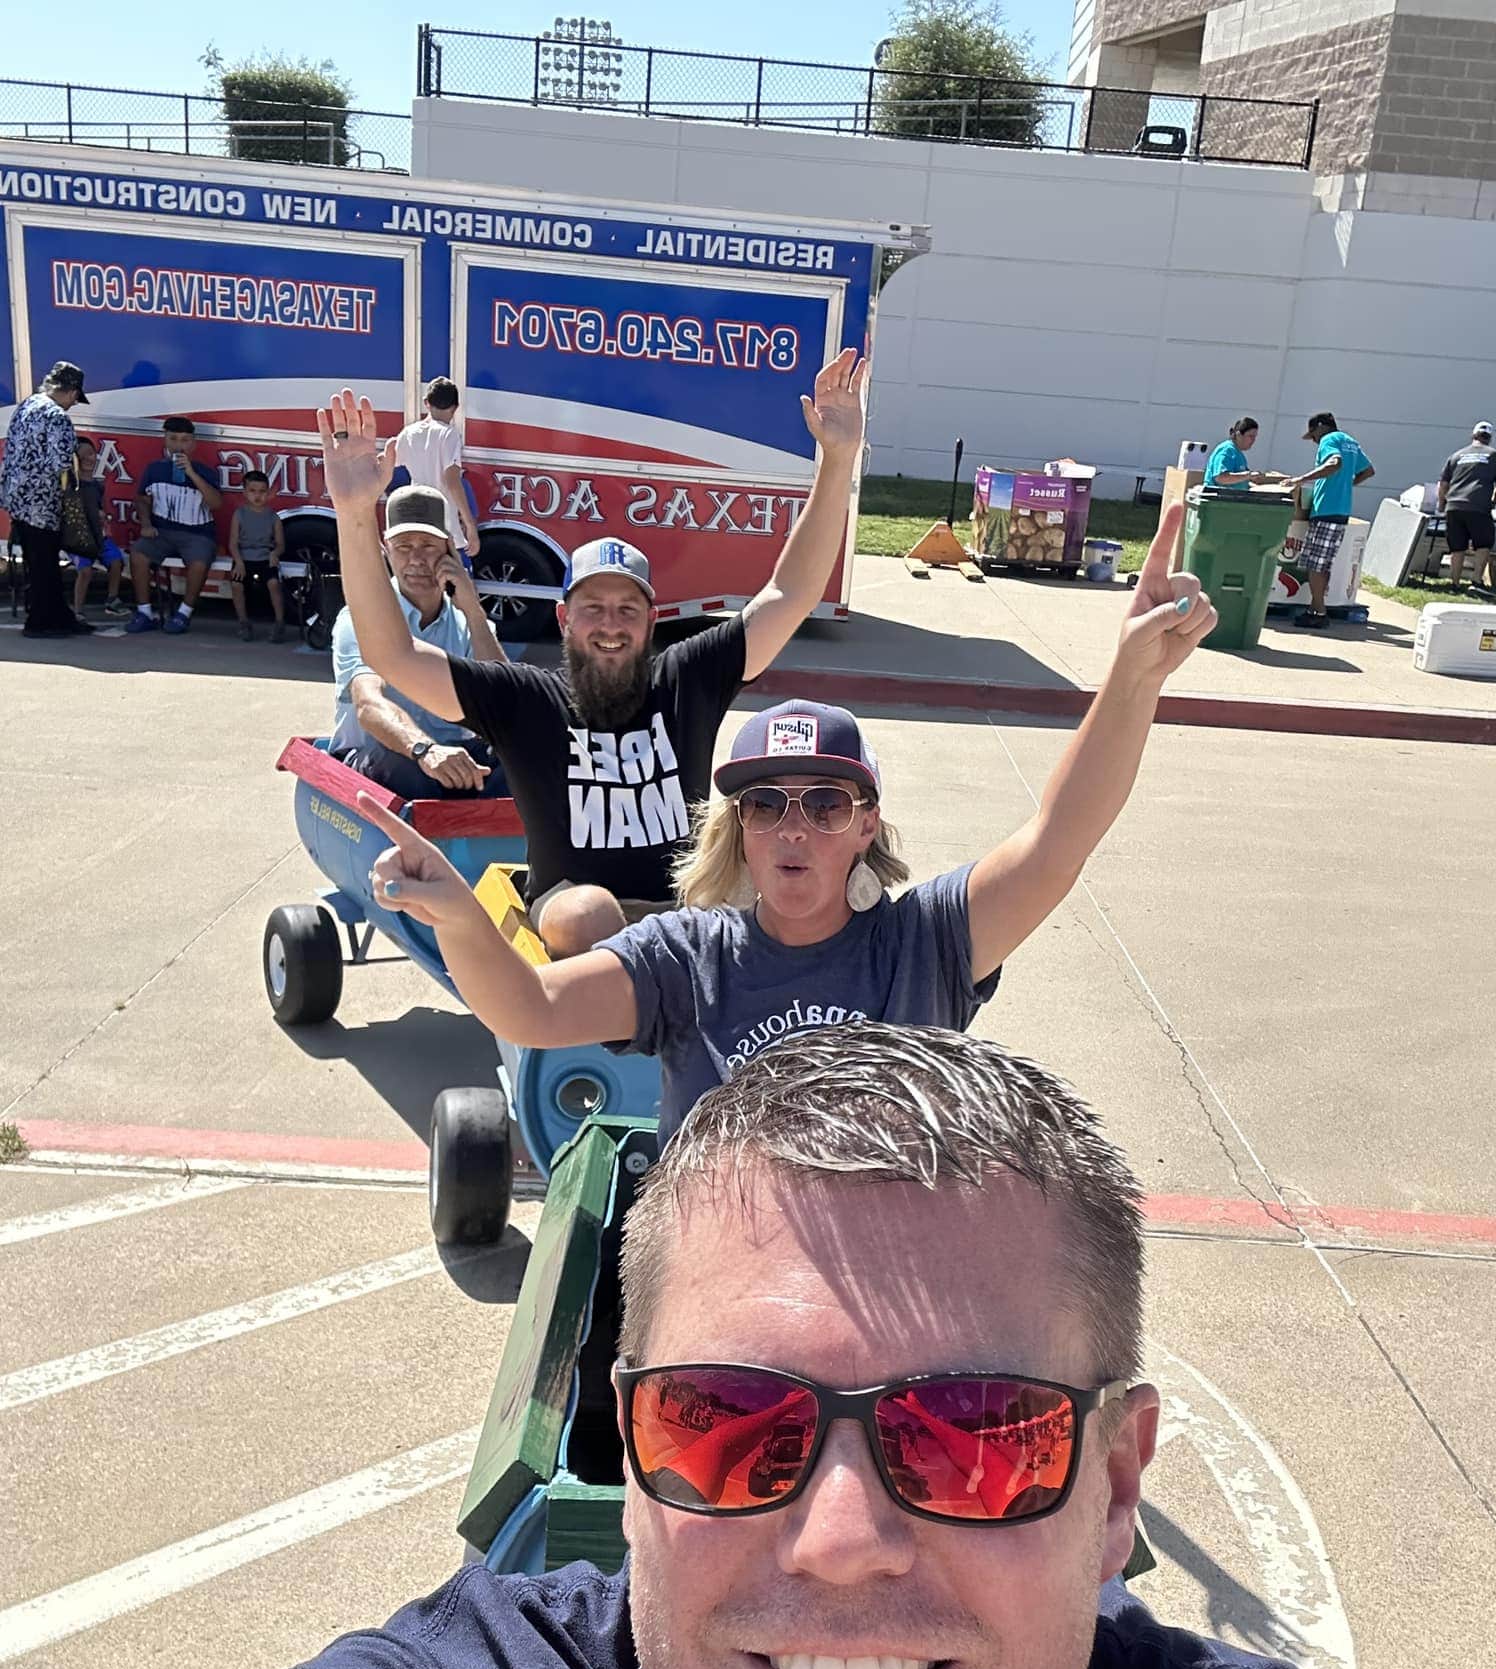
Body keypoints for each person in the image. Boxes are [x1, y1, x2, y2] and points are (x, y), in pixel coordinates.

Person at [3, 1024, 1496, 1669]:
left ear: (1119, 1487)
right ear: (631, 1450)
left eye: (978, 1435)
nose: (843, 1541)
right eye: (730, 1425)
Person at [361, 500, 1217, 1143]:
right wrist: (459, 913)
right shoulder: (688, 959)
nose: (793, 827)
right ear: (737, 828)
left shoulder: (922, 945)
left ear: (868, 826)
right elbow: (531, 1010)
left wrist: (1133, 679)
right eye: (765, 804)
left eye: (826, 802)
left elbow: (1057, 840)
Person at [318, 361, 870, 959]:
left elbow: (788, 594)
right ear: (564, 621)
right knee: (589, 913)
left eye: (627, 610)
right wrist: (353, 513)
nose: (610, 626)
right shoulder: (526, 701)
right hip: (572, 920)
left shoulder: (687, 678)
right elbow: (391, 654)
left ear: (651, 621)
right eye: (593, 609)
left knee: (816, 887)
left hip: (687, 912)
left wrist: (838, 459)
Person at [330, 483, 511, 802]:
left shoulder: (462, 620)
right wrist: (424, 749)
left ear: (449, 549)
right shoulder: (362, 615)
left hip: (446, 758)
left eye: (427, 545)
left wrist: (474, 612)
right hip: (378, 757)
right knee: (408, 769)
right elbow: (368, 704)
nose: (415, 559)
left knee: (522, 756)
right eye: (403, 546)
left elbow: (507, 700)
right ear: (385, 549)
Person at [0, 359, 90, 639]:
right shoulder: (57, 416)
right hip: (43, 503)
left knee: (37, 560)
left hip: (19, 499)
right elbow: (62, 464)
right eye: (76, 399)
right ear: (72, 392)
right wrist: (73, 499)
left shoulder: (27, 405)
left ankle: (59, 616)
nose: (73, 404)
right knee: (44, 564)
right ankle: (40, 622)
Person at [125, 416, 223, 635]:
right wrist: (146, 523)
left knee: (199, 562)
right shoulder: (154, 469)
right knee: (138, 554)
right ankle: (144, 613)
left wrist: (191, 473)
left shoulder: (205, 472)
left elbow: (216, 503)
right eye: (174, 439)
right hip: (163, 532)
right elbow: (142, 499)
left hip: (197, 533)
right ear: (165, 441)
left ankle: (183, 614)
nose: (179, 445)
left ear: (194, 444)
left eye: (185, 440)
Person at [1284, 411, 1374, 630]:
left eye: (1313, 433)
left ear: (1321, 427)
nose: (1313, 440)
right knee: (1322, 564)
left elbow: (1335, 462)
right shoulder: (1350, 441)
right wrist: (1346, 485)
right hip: (1341, 510)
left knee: (1315, 565)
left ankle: (1318, 612)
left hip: (1326, 510)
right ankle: (1317, 609)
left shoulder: (1329, 440)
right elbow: (1368, 470)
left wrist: (1301, 479)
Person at [393, 375, 479, 562]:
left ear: (426, 403)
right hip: (445, 528)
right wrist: (470, 523)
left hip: (417, 521)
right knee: (457, 583)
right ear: (456, 407)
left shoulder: (408, 433)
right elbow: (452, 480)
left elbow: (392, 467)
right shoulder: (449, 435)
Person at [1437, 421, 1496, 596]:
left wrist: (1442, 504)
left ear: (1473, 436)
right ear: (1489, 438)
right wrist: (1494, 501)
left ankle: (1454, 584)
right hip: (1478, 506)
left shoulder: (1457, 455)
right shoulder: (1495, 455)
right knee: (1483, 545)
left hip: (1454, 506)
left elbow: (1443, 484)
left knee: (1457, 547)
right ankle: (1476, 581)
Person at [67, 436, 129, 620]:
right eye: (82, 455)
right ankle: (78, 610)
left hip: (99, 536)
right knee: (84, 571)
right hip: (77, 537)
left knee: (116, 561)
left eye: (91, 454)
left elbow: (100, 509)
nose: (88, 458)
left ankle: (112, 599)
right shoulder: (69, 485)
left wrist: (102, 518)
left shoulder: (97, 485)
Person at [229, 470, 286, 643]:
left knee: (274, 583)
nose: (257, 496)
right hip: (243, 558)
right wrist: (238, 562)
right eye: (253, 491)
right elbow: (233, 543)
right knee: (236, 585)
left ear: (268, 493)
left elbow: (280, 544)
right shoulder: (239, 514)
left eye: (262, 491)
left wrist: (275, 554)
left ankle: (279, 622)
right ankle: (243, 623)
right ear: (245, 493)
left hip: (265, 558)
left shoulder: (273, 517)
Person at [1201, 417, 1286, 490]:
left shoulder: (1238, 453)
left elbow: (1241, 481)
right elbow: (1221, 477)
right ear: (1238, 435)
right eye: (1250, 436)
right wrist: (1248, 475)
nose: (1253, 440)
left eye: (1255, 437)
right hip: (1216, 502)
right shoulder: (1226, 450)